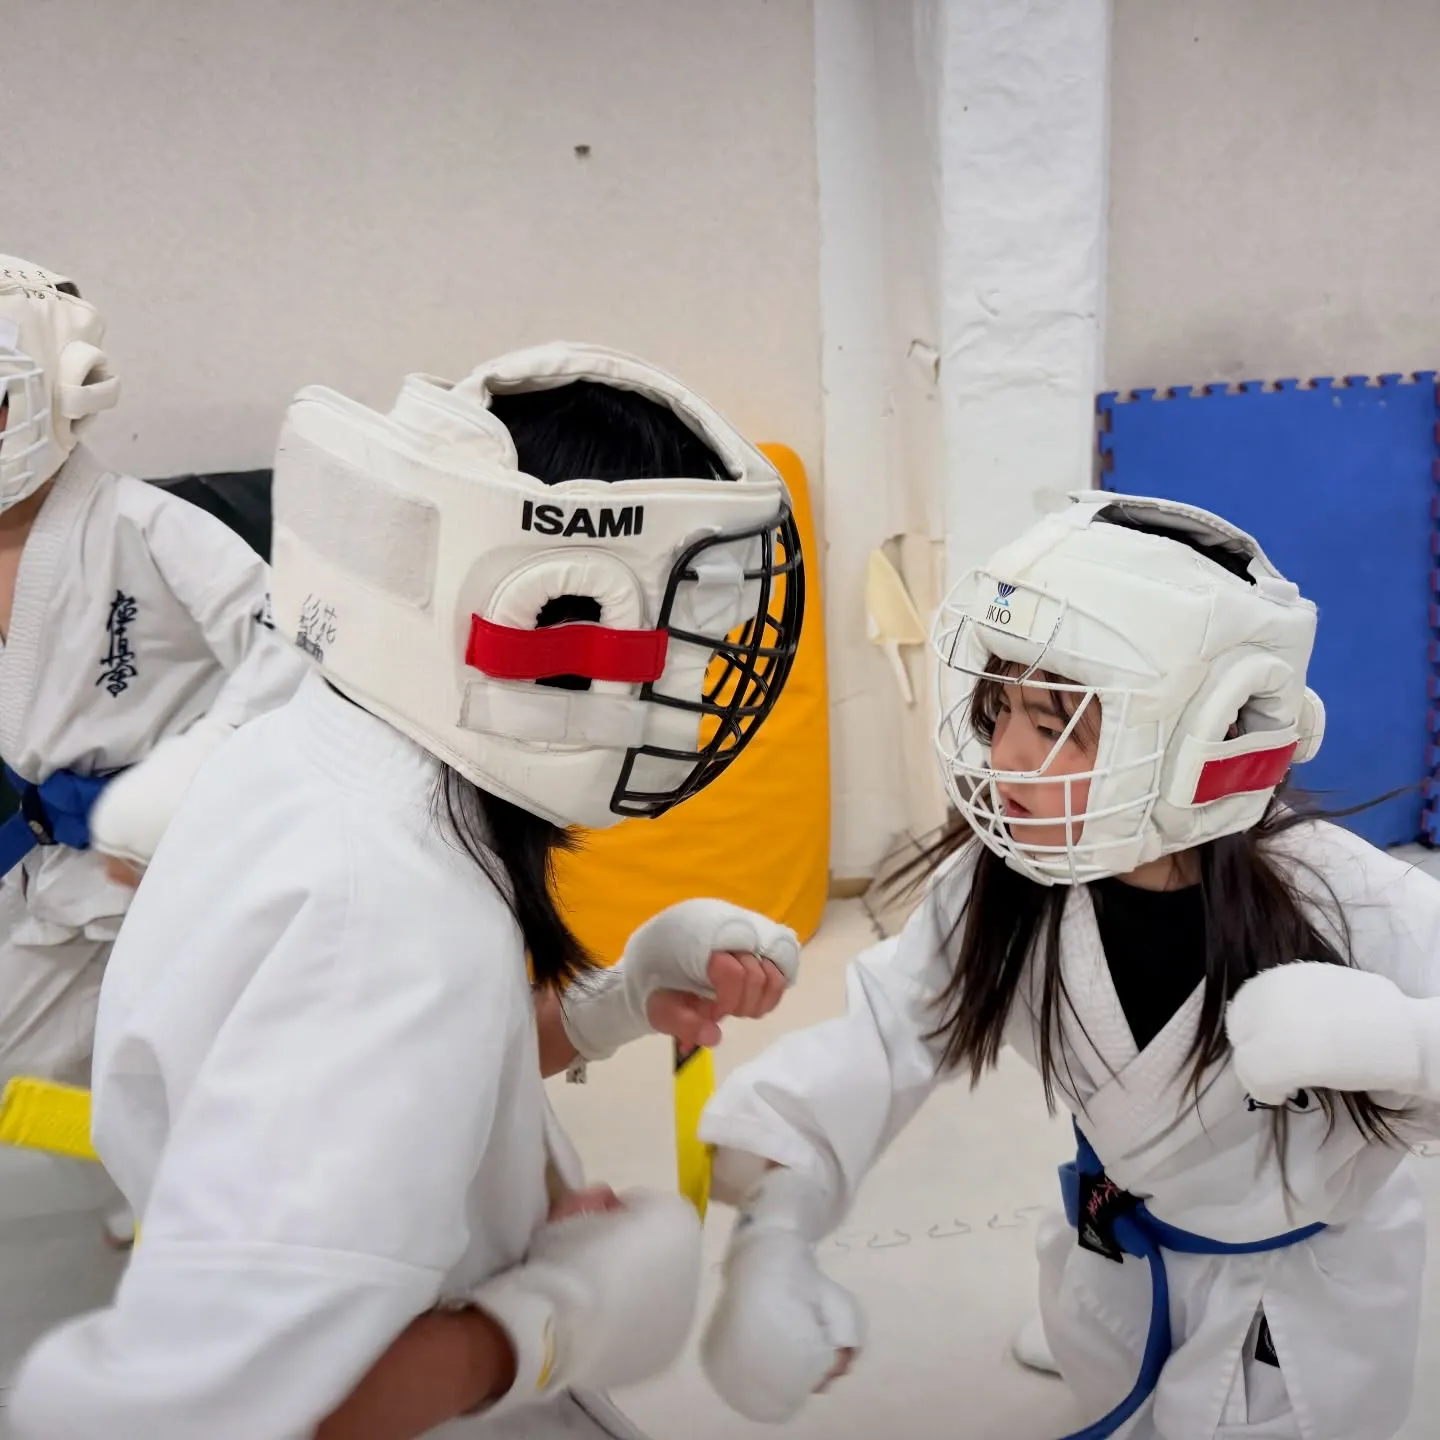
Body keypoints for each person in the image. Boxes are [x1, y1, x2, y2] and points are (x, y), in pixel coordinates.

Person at [8, 342, 807, 1439]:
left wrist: (608, 1005)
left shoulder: (313, 751)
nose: (706, 682)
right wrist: (550, 1325)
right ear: (553, 609)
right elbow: (220, 1419)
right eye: (691, 640)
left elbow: (390, 1068)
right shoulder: (392, 918)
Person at [693, 489, 1440, 1440]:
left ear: (1196, 739)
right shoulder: (1009, 883)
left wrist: (1405, 1045)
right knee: (1106, 1360)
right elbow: (882, 1035)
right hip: (1120, 1247)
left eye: (1055, 728)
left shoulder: (1341, 896)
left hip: (1293, 1308)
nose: (1005, 756)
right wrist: (776, 1228)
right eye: (999, 709)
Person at [0, 256, 308, 1359]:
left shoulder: (148, 529)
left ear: (61, 388)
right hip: (41, 882)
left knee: (207, 1087)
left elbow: (296, 653)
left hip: (172, 881)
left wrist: (201, 768)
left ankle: (218, 1272)